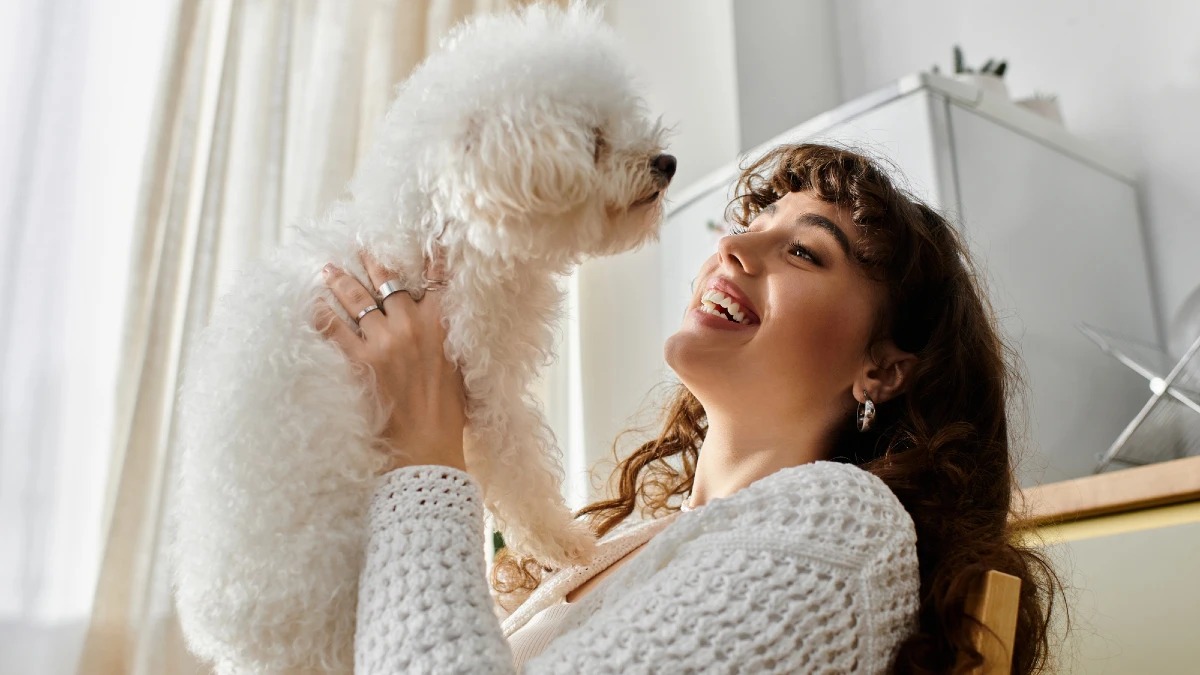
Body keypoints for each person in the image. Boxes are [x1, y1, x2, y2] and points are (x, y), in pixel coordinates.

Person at [312, 143, 1064, 674]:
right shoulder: (635, 540)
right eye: (749, 226)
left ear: (884, 368)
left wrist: (424, 463)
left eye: (804, 251)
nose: (732, 244)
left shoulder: (847, 528)